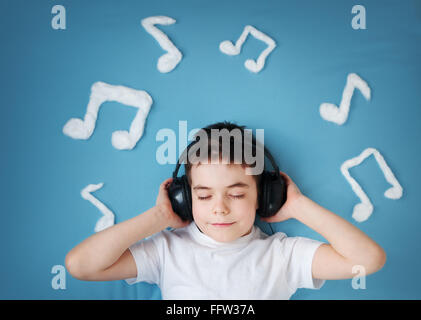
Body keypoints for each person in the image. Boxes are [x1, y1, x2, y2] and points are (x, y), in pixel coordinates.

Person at [65, 121, 386, 299]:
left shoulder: (283, 255)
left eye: (235, 193)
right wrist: (158, 218)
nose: (219, 209)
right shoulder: (165, 250)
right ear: (184, 199)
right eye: (203, 197)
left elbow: (368, 260)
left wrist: (299, 206)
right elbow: (81, 266)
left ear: (265, 196)